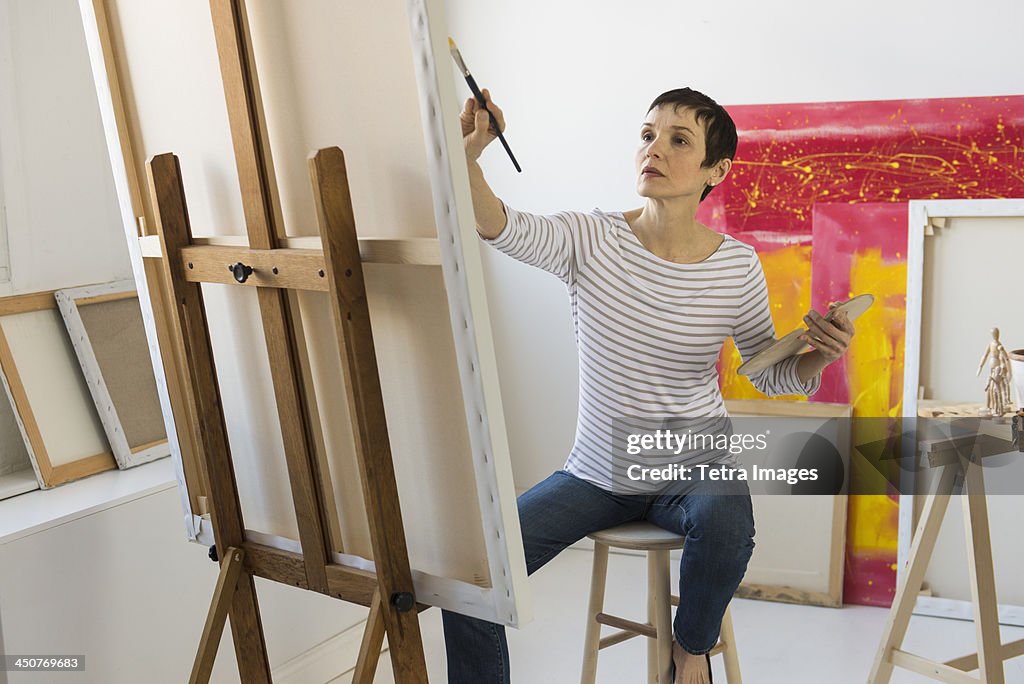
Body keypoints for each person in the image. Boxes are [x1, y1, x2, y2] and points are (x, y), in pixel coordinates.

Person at [445, 86, 855, 684]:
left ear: (717, 169)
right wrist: (469, 154)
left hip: (696, 466)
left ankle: (690, 653)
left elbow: (767, 373)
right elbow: (497, 223)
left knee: (727, 520)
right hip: (596, 474)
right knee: (475, 573)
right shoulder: (590, 239)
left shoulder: (736, 265)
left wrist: (819, 357)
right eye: (648, 135)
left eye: (678, 140)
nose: (655, 149)